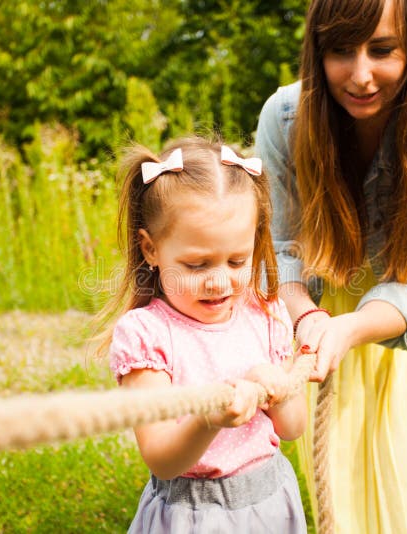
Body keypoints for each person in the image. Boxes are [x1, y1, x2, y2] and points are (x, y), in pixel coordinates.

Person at [254, 0, 407, 532]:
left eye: (382, 50)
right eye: (340, 51)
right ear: (318, 52)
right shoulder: (284, 118)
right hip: (318, 300)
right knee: (335, 458)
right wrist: (310, 319)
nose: (360, 76)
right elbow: (280, 249)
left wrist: (353, 327)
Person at [99, 137, 308, 533]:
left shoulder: (264, 314)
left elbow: (293, 428)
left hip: (270, 504)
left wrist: (275, 383)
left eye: (237, 261)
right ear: (150, 249)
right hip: (192, 517)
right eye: (196, 265)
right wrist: (207, 420)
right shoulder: (148, 335)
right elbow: (161, 458)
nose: (218, 282)